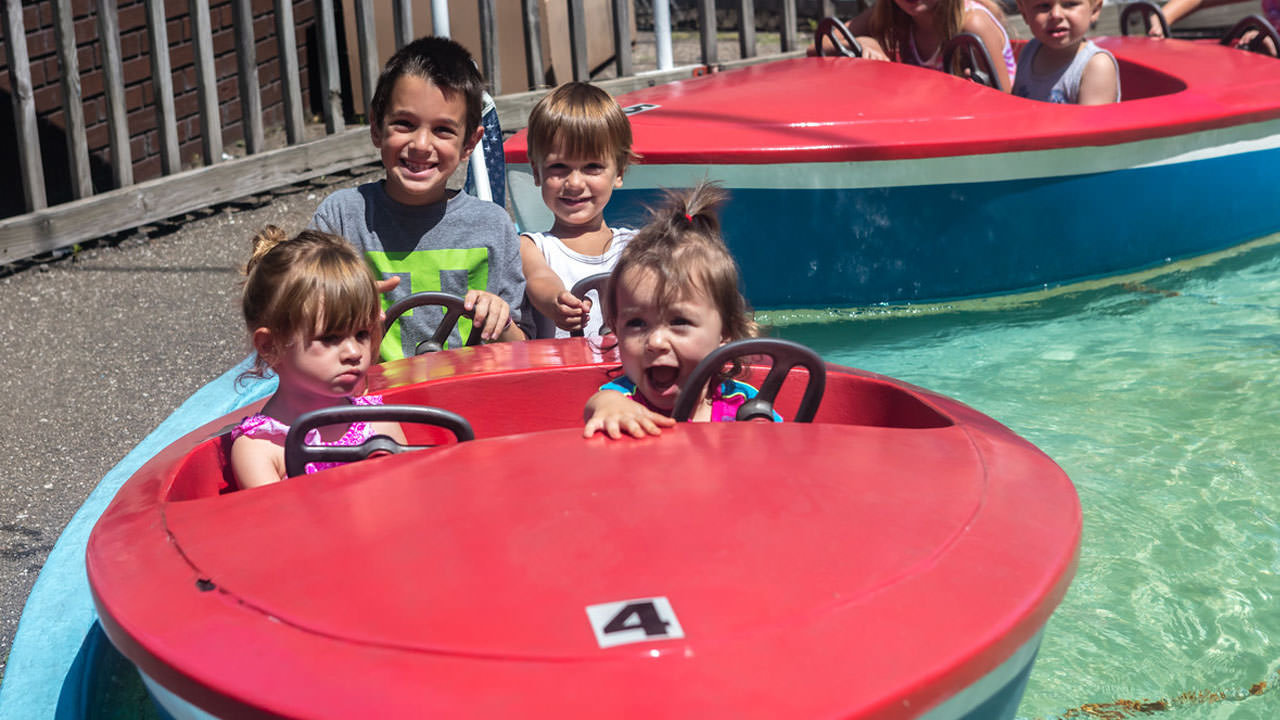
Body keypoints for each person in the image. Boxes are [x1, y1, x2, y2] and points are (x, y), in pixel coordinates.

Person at [312, 36, 527, 360]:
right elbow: (299, 318)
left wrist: (501, 318)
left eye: (443, 130)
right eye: (405, 124)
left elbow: (523, 349)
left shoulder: (493, 226)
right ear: (375, 127)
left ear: (470, 142)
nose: (422, 144)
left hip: (468, 399)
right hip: (368, 400)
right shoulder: (341, 218)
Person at [582, 182, 775, 439]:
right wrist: (612, 410)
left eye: (679, 321)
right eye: (637, 323)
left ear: (724, 331)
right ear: (615, 326)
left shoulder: (744, 404)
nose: (656, 341)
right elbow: (600, 404)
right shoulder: (623, 398)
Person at [230, 226, 408, 489]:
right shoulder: (262, 448)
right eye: (330, 338)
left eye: (361, 333)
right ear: (270, 346)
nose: (354, 352)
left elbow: (412, 495)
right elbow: (282, 528)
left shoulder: (376, 419)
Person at [521, 82, 640, 339]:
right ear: (536, 172)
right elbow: (539, 279)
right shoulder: (531, 247)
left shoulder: (637, 246)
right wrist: (557, 300)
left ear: (618, 173)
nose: (574, 183)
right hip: (560, 376)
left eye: (592, 167)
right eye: (559, 167)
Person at [809, 0, 1016, 92]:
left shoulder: (972, 24)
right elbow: (817, 47)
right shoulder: (893, 13)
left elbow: (1007, 101)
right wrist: (864, 42)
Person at [1012, 0, 1120, 104]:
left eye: (1070, 4)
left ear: (1094, 10)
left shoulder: (1096, 66)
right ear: (1024, 13)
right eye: (1044, 5)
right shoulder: (1029, 51)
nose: (1056, 15)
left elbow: (1093, 121)